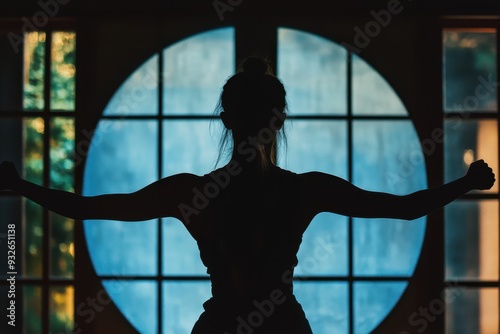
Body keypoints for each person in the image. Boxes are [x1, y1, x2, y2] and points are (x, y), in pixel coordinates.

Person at [0, 56, 495, 334]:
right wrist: (465, 184)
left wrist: (22, 186)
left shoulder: (192, 194)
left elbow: (92, 209)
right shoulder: (303, 190)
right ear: (279, 120)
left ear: (226, 120)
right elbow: (403, 209)